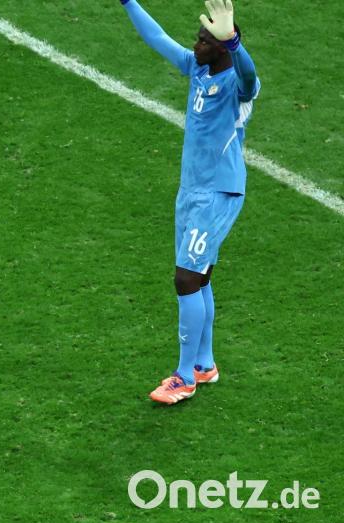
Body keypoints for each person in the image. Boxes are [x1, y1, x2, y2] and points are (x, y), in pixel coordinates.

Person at [120, 0, 260, 404]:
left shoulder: (238, 84)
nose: (196, 45)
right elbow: (157, 37)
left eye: (204, 41)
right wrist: (128, 2)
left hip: (219, 192)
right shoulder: (198, 68)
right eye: (198, 39)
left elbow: (250, 75)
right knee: (199, 278)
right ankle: (204, 363)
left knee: (185, 279)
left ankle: (184, 377)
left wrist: (234, 43)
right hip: (191, 190)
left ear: (222, 48)